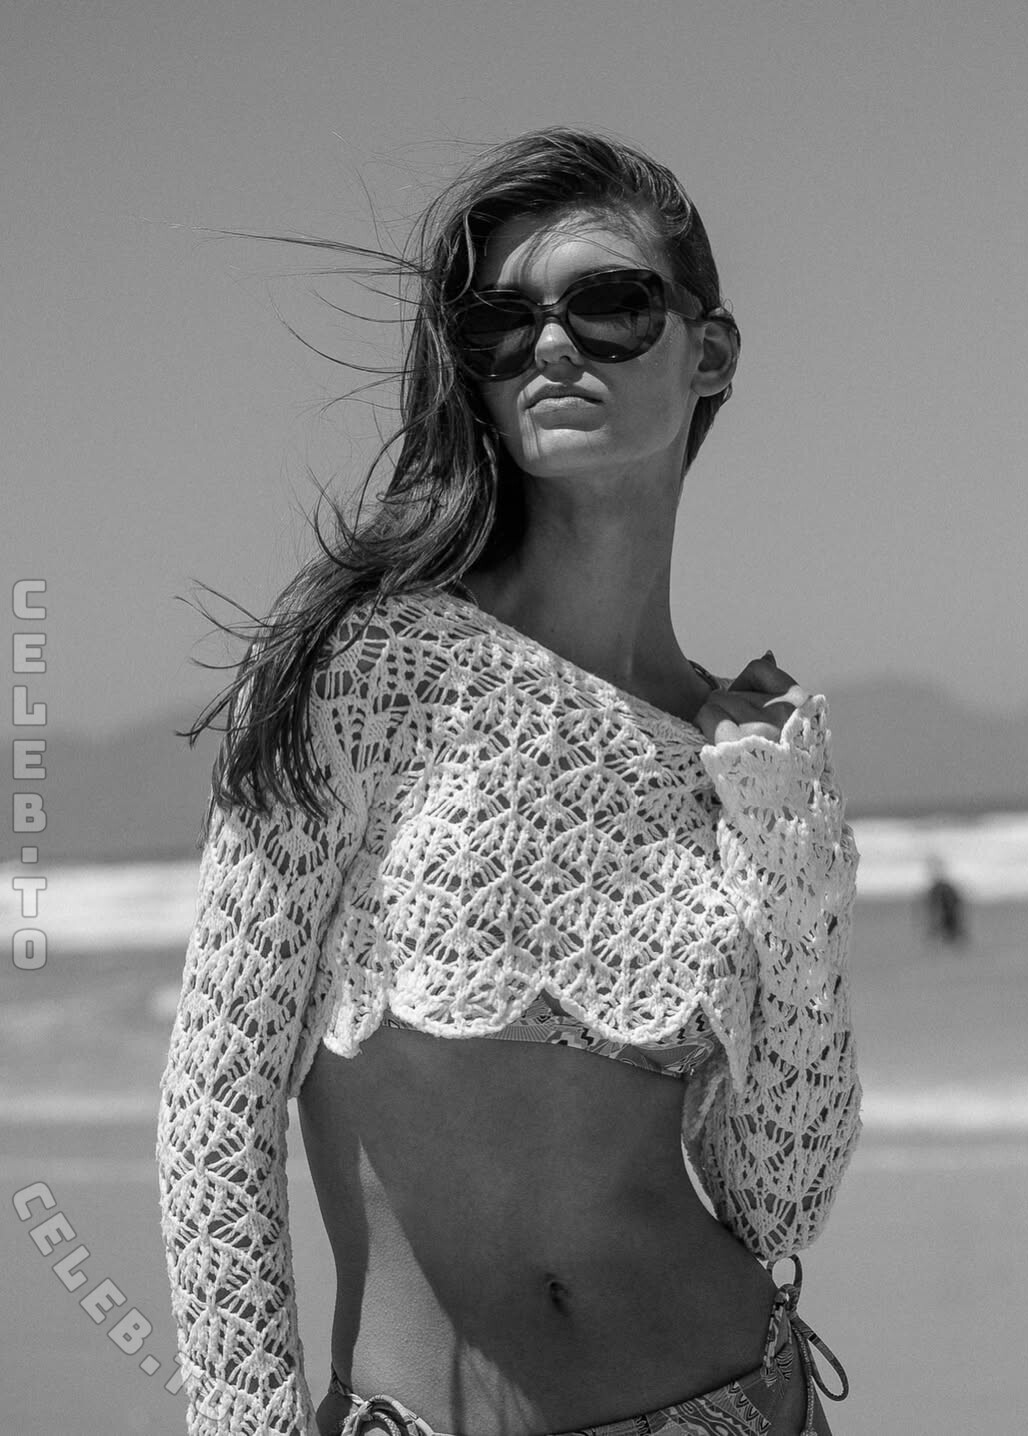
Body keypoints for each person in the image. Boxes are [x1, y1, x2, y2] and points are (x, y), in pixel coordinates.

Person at [157, 127, 862, 1436]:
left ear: (709, 351)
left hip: (743, 1400)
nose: (551, 346)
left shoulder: (738, 757)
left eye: (610, 304)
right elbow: (214, 1102)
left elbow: (778, 1197)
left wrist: (792, 870)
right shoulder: (367, 669)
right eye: (500, 321)